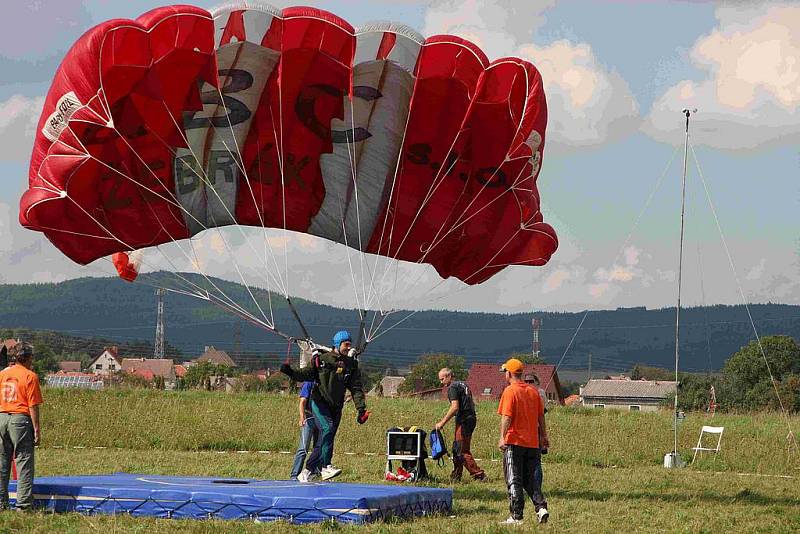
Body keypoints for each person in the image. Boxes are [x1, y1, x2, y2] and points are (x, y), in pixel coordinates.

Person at [281, 331, 368, 482]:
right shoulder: (321, 360)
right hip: (319, 403)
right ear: (337, 344)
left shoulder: (351, 365)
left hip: (336, 407)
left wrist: (361, 410)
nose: (349, 347)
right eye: (346, 344)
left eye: (350, 344)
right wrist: (290, 372)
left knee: (327, 439)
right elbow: (305, 374)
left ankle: (307, 471)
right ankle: (326, 466)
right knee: (327, 429)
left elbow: (356, 389)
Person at [497, 358, 549, 525]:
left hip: (514, 441)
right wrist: (544, 436)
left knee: (514, 479)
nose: (505, 374)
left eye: (505, 372)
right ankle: (541, 508)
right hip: (532, 443)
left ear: (510, 373)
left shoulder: (510, 391)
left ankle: (516, 516)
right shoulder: (533, 391)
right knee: (530, 480)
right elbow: (541, 417)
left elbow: (507, 417)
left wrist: (502, 437)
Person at [0, 343, 43, 511]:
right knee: (24, 461)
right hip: (20, 419)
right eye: (31, 357)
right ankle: (23, 505)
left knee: (2, 463)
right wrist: (37, 430)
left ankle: (2, 504)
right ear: (27, 358)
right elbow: (33, 406)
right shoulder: (30, 376)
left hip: (2, 417)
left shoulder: (2, 374)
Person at [434, 368, 486, 481]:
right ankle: (456, 475)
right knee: (458, 448)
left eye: (442, 379)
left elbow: (455, 407)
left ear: (448, 376)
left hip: (464, 420)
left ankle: (478, 474)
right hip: (471, 418)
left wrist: (442, 423)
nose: (441, 382)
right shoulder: (463, 384)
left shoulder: (452, 388)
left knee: (461, 450)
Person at [289, 381, 319, 480]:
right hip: (309, 418)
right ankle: (294, 475)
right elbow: (302, 402)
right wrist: (302, 418)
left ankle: (314, 472)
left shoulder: (324, 382)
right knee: (303, 448)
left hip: (321, 420)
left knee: (318, 448)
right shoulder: (309, 383)